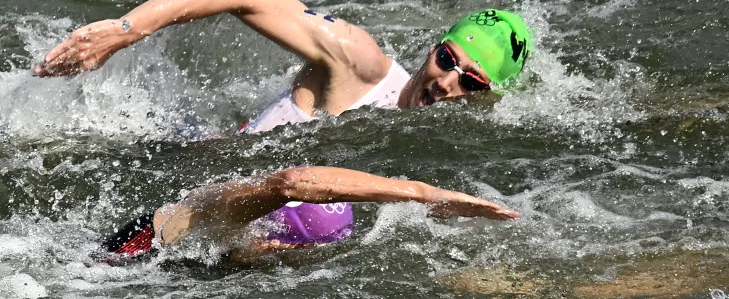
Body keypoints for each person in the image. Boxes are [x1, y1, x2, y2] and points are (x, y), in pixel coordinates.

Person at [33, 0, 534, 130]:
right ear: (432, 49)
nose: (446, 81)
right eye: (447, 59)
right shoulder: (359, 63)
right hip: (194, 170)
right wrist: (124, 31)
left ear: (487, 98)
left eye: (471, 80)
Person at [101, 164, 519, 262]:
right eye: (289, 246)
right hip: (124, 255)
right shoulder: (224, 214)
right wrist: (421, 193)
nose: (280, 252)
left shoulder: (233, 251)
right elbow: (290, 183)